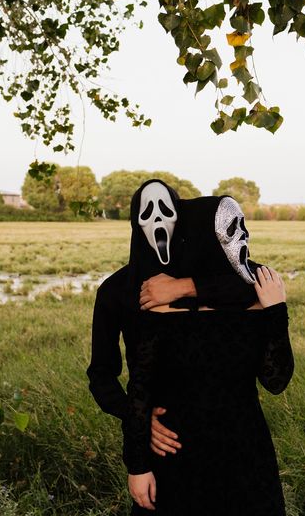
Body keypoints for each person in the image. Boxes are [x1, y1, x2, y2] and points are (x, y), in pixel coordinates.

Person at [122, 195, 295, 516]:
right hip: (176, 462)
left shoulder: (255, 296)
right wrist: (137, 466)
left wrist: (275, 313)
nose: (243, 236)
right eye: (230, 229)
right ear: (203, 237)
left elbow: (276, 380)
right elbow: (139, 391)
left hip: (244, 460)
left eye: (245, 225)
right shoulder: (160, 303)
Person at [86, 179, 262, 437]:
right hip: (163, 431)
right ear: (136, 222)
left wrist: (186, 287)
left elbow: (255, 279)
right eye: (147, 213)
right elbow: (101, 372)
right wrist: (135, 416)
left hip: (225, 420)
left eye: (166, 211)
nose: (158, 221)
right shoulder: (115, 290)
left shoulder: (202, 270)